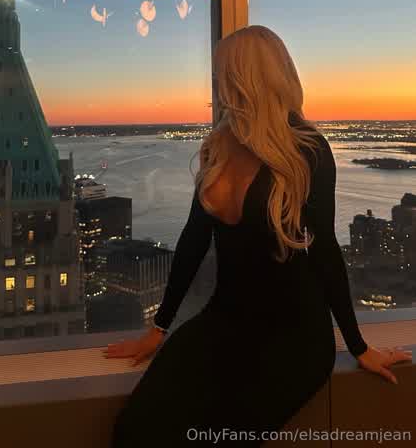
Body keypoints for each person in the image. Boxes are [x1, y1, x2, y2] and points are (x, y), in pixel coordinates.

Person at [106, 25, 412, 446]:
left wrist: (358, 346)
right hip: (223, 321)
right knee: (134, 432)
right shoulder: (217, 146)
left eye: (222, 73)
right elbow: (194, 239)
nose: (217, 83)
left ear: (246, 77)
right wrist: (159, 328)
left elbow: (324, 252)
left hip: (293, 337)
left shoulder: (307, 149)